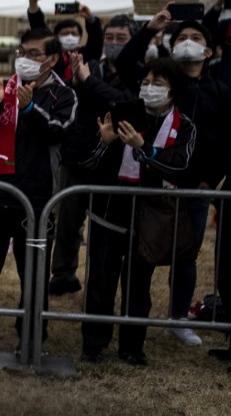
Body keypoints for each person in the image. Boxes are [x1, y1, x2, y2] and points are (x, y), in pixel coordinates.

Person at [0, 28, 77, 350]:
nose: (25, 59)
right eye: (22, 52)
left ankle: (32, 330)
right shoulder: (2, 87)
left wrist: (31, 109)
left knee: (33, 271)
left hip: (37, 197)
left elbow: (57, 132)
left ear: (52, 59)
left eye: (34, 54)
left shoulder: (64, 95)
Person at [115, 5, 231, 347]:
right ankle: (133, 317)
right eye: (181, 37)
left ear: (208, 51)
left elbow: (227, 142)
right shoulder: (163, 81)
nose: (188, 43)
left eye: (196, 38)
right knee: (142, 252)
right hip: (152, 180)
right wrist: (150, 28)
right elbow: (124, 65)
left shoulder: (222, 92)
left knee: (187, 254)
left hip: (195, 187)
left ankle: (178, 317)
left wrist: (210, 180)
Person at [78, 58, 196, 365]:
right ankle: (93, 342)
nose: (150, 89)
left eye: (159, 84)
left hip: (151, 216)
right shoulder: (123, 113)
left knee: (138, 286)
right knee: (101, 280)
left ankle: (132, 346)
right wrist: (104, 142)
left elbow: (180, 162)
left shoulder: (184, 125)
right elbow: (88, 163)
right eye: (146, 82)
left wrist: (145, 148)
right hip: (110, 210)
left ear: (173, 91)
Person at [49, 15, 138, 297]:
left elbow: (122, 101)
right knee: (67, 221)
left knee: (103, 233)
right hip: (78, 155)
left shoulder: (136, 74)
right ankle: (63, 274)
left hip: (112, 165)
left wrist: (87, 83)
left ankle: (98, 290)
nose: (113, 43)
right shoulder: (91, 67)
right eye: (109, 37)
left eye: (120, 38)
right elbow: (76, 102)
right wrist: (77, 82)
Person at [26, 0, 103, 81]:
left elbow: (96, 39)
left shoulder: (87, 54)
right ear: (56, 37)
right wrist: (33, 4)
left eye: (74, 33)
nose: (70, 36)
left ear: (80, 37)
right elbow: (40, 29)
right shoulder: (52, 57)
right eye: (65, 33)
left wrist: (91, 19)